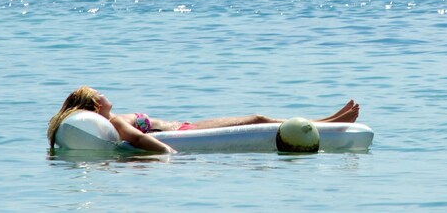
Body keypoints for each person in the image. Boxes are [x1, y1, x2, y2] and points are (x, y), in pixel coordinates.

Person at [47, 86, 361, 153]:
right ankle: (328, 123)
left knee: (258, 115)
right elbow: (141, 140)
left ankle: (328, 119)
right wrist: (169, 154)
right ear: (94, 104)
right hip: (187, 132)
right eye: (100, 94)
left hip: (185, 126)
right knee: (258, 117)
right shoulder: (114, 122)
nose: (106, 95)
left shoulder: (109, 120)